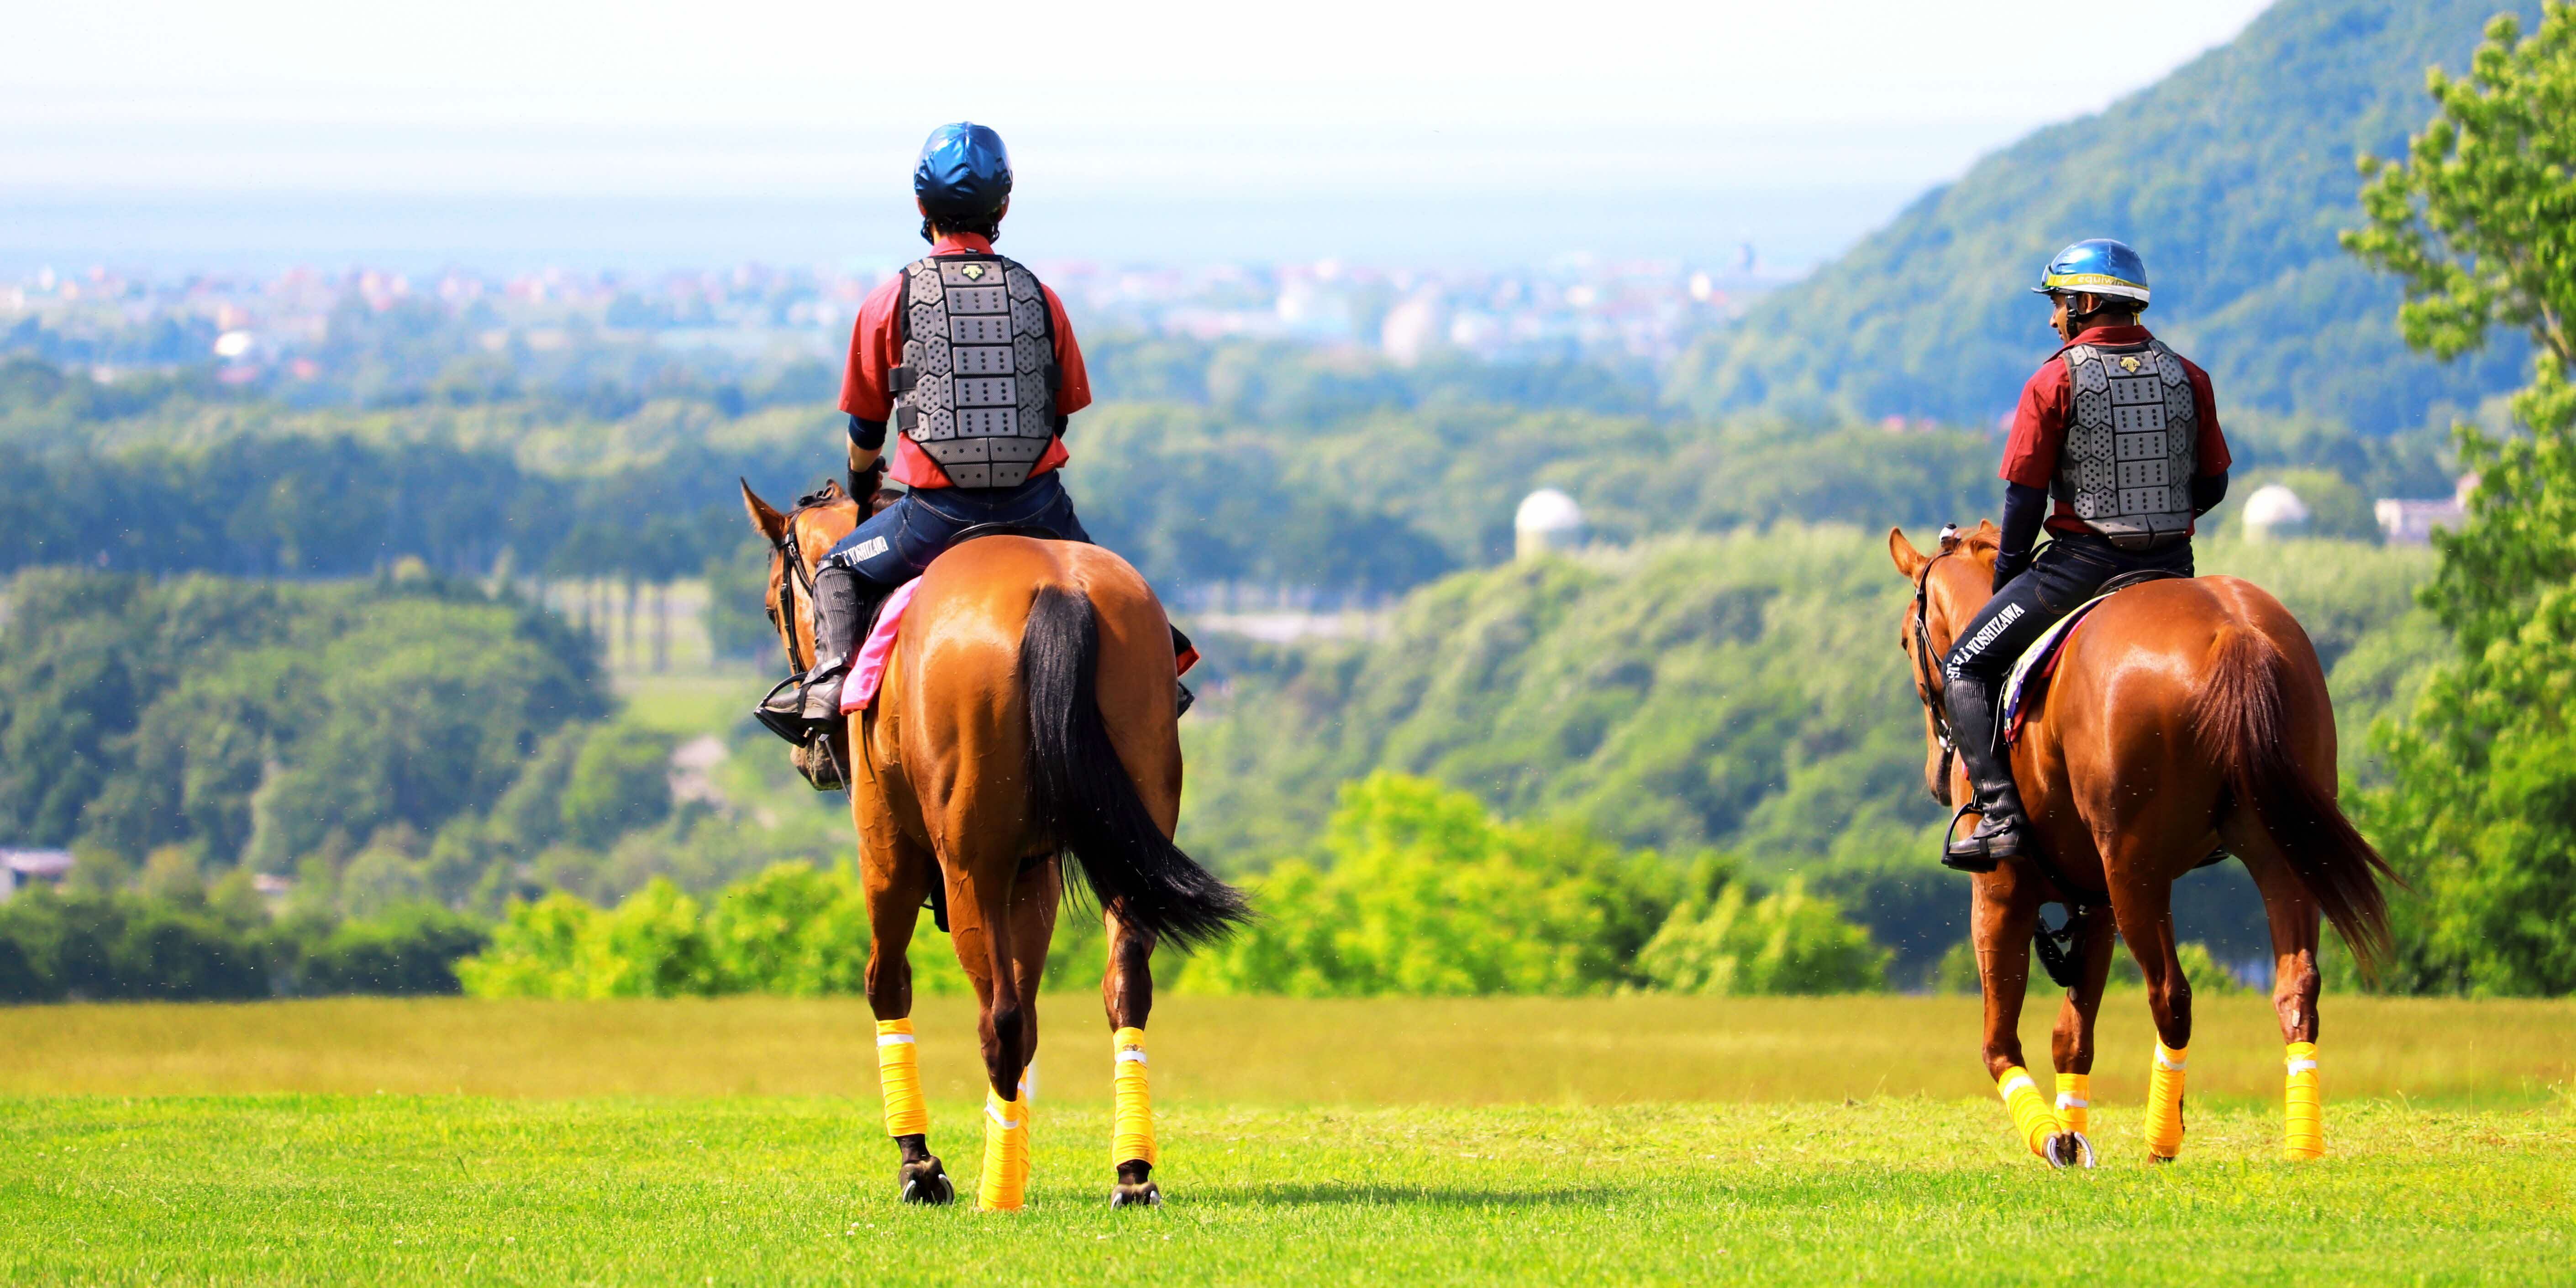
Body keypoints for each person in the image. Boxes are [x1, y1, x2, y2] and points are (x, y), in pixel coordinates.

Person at [776, 121, 1100, 733]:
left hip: (934, 518)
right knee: (1117, 593)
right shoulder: (1041, 295)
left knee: (835, 570)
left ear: (922, 206)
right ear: (1003, 205)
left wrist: (862, 485)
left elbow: (867, 427)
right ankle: (1163, 669)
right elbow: (1058, 414)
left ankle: (824, 691)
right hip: (1041, 510)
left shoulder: (888, 301)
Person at [1939, 238, 2233, 872]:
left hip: (2081, 569)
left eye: (2059, 303)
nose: (2052, 318)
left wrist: (2007, 581)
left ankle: (1996, 815)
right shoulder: (2189, 376)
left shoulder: (2053, 380)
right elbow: (2211, 486)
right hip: (2171, 569)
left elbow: (2021, 503)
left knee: (1963, 663)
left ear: (2089, 302)